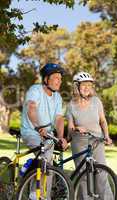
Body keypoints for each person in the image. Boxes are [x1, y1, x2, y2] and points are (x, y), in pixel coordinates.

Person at [21, 63, 68, 200]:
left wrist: (61, 137)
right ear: (46, 79)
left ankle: (43, 196)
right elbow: (31, 107)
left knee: (49, 167)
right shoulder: (35, 90)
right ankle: (34, 195)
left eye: (60, 78)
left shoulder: (58, 97)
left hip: (47, 135)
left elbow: (59, 118)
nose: (59, 81)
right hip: (31, 132)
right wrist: (37, 126)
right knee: (45, 156)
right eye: (56, 78)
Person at [66, 71, 113, 200]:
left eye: (89, 85)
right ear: (77, 87)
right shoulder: (71, 106)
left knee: (101, 173)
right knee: (83, 175)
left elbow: (103, 120)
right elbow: (70, 127)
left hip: (97, 140)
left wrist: (107, 136)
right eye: (84, 85)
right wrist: (76, 128)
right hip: (79, 142)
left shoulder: (96, 101)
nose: (87, 88)